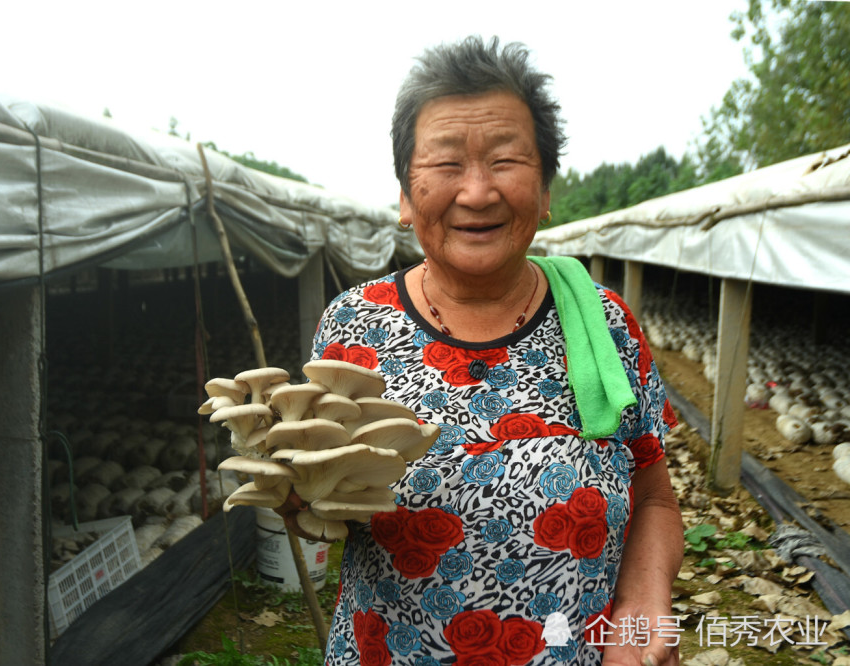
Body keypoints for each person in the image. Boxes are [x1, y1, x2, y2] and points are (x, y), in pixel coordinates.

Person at [282, 36, 683, 666]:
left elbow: (654, 496)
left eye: (505, 160)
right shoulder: (354, 326)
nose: (476, 193)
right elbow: (322, 499)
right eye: (445, 164)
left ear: (546, 189)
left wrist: (644, 605)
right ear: (405, 197)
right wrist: (298, 494)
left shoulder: (603, 323)